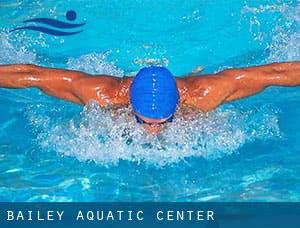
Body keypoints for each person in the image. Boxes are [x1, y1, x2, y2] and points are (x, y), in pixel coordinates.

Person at [0, 62, 299, 134]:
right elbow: (31, 75)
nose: (153, 131)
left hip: (191, 84)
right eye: (142, 121)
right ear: (130, 105)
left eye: (163, 122)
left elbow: (273, 74)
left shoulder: (204, 94)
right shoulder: (101, 93)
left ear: (177, 107)